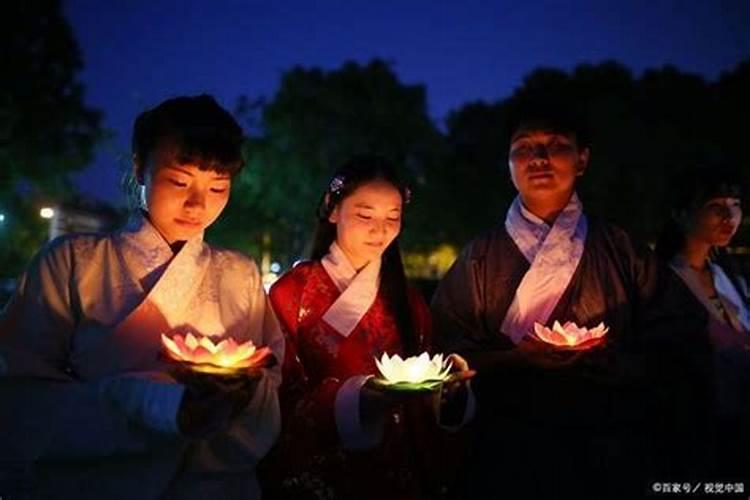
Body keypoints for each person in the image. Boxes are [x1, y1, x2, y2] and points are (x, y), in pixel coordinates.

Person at [0, 95, 284, 499]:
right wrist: (155, 405)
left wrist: (237, 397)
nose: (198, 204)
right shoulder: (72, 261)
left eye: (218, 186)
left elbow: (269, 377)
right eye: (180, 181)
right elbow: (20, 396)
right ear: (139, 167)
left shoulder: (239, 272)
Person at [430, 94, 706, 498]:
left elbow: (681, 334)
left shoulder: (621, 248)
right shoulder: (480, 256)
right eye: (524, 148)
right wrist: (512, 360)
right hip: (506, 449)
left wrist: (618, 361)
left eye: (557, 146)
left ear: (582, 159)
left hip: (610, 447)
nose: (539, 157)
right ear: (509, 164)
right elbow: (440, 348)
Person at [259, 156, 474, 500]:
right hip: (320, 472)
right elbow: (276, 396)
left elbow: (422, 393)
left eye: (393, 217)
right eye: (365, 215)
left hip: (397, 470)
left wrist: (446, 393)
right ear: (332, 209)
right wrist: (358, 399)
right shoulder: (292, 292)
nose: (381, 229)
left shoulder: (409, 300)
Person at [656, 167, 749, 479]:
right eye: (715, 206)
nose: (729, 215)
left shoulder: (729, 278)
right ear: (682, 214)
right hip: (694, 429)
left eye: (735, 204)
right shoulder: (665, 283)